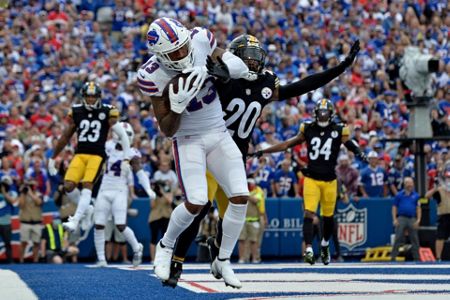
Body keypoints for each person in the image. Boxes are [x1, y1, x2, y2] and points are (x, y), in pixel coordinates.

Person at [165, 35, 361, 286]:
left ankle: (217, 248)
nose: (252, 63)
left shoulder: (265, 84)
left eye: (256, 58)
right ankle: (176, 262)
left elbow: (303, 85)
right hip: (208, 151)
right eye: (246, 57)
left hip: (234, 157)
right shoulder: (222, 79)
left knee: (233, 212)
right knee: (199, 208)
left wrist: (340, 67)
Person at [137, 17, 253, 288]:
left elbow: (232, 63)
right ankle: (165, 247)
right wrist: (176, 106)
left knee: (240, 196)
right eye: (174, 52)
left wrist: (227, 68)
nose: (183, 54)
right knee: (197, 201)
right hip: (188, 139)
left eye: (183, 46)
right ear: (160, 55)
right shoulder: (151, 75)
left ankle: (222, 260)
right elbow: (166, 129)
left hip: (219, 132)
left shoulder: (199, 39)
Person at [252, 99, 368, 265]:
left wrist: (358, 151)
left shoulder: (338, 129)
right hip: (312, 178)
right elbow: (287, 144)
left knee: (328, 218)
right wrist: (264, 151)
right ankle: (308, 249)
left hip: (330, 180)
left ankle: (325, 245)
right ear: (315, 113)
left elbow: (349, 143)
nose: (322, 115)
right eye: (320, 112)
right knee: (308, 213)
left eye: (325, 112)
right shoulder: (308, 128)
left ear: (331, 113)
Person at [47, 81, 134, 232]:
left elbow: (122, 135)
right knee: (68, 186)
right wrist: (53, 158)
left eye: (93, 97)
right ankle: (87, 209)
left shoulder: (108, 111)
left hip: (97, 155)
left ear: (99, 97)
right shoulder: (77, 111)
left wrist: (127, 157)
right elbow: (65, 137)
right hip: (80, 154)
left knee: (87, 186)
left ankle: (75, 220)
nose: (91, 100)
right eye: (88, 97)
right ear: (83, 97)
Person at [93, 122, 155, 267]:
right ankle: (102, 259)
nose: (124, 137)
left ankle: (136, 247)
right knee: (99, 225)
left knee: (120, 225)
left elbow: (140, 173)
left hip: (120, 190)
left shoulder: (132, 153)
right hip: (104, 189)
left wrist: (148, 189)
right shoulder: (107, 146)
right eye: (122, 134)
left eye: (127, 135)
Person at [390, 177, 421, 261]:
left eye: (411, 183)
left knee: (414, 238)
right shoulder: (399, 195)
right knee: (398, 237)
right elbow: (394, 207)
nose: (410, 185)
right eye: (408, 183)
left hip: (412, 218)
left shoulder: (416, 196)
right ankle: (393, 257)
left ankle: (417, 258)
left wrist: (418, 220)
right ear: (405, 184)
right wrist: (394, 219)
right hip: (401, 218)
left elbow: (418, 208)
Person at [425, 162, 450, 261]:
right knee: (440, 237)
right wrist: (435, 189)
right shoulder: (439, 190)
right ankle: (438, 257)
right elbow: (427, 196)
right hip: (444, 216)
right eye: (448, 178)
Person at [238, 178, 265, 264]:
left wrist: (245, 195)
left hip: (254, 219)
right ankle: (241, 258)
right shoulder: (242, 192)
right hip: (242, 219)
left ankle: (254, 258)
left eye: (250, 184)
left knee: (254, 240)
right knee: (241, 239)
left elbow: (256, 200)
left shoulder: (258, 191)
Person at [148, 180, 173, 263]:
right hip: (155, 217)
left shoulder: (168, 192)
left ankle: (164, 258)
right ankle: (152, 258)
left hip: (166, 216)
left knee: (166, 238)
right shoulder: (153, 194)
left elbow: (169, 201)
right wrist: (154, 193)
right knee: (153, 238)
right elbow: (152, 205)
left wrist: (162, 192)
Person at [18, 180, 43, 263]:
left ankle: (35, 260)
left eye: (33, 185)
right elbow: (21, 205)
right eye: (30, 185)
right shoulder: (23, 195)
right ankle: (21, 260)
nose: (31, 187)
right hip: (25, 222)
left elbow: (39, 202)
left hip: (36, 222)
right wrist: (23, 193)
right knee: (23, 242)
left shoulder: (39, 194)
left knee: (36, 242)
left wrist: (31, 194)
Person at [0, 175, 17, 263]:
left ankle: (10, 260)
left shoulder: (12, 193)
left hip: (6, 222)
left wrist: (4, 193)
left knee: (7, 243)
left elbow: (12, 201)